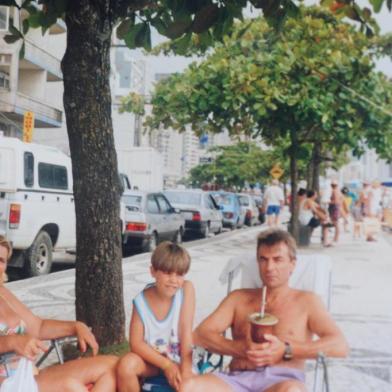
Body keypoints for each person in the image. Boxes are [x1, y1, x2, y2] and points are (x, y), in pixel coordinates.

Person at [183, 229, 349, 392]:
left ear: (292, 264)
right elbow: (200, 335)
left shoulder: (307, 301)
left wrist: (287, 350)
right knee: (189, 387)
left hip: (282, 382)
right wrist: (240, 349)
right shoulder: (238, 299)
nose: (269, 267)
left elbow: (339, 345)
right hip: (237, 380)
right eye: (263, 259)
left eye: (277, 259)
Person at [0, 235, 118, 391]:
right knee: (70, 386)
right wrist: (12, 342)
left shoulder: (4, 293)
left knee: (112, 367)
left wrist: (75, 327)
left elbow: (39, 327)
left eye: (1, 260)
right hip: (8, 384)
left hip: (28, 375)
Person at [116, 241, 195, 392]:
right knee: (126, 365)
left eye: (179, 274)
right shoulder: (140, 301)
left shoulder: (186, 289)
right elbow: (136, 343)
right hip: (153, 362)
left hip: (180, 358)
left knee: (187, 386)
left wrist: (185, 373)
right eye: (167, 272)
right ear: (153, 271)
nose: (173, 280)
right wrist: (166, 365)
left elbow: (186, 333)